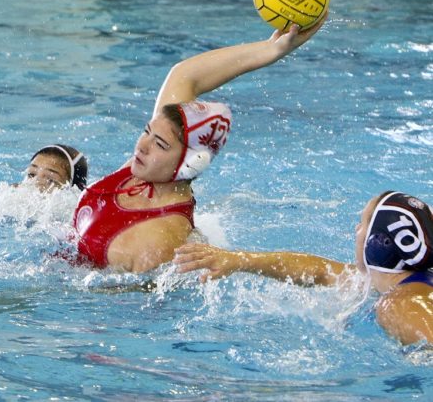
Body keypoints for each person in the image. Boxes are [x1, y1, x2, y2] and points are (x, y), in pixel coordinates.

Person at [55, 18, 326, 273]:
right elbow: (184, 75)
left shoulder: (159, 241)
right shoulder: (147, 170)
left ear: (189, 163)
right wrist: (271, 49)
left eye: (160, 144)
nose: (142, 146)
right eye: (147, 131)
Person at [174, 191, 433, 345]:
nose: (356, 230)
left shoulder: (400, 304)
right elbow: (319, 271)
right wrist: (239, 260)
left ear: (378, 243)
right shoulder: (389, 285)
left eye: (362, 223)